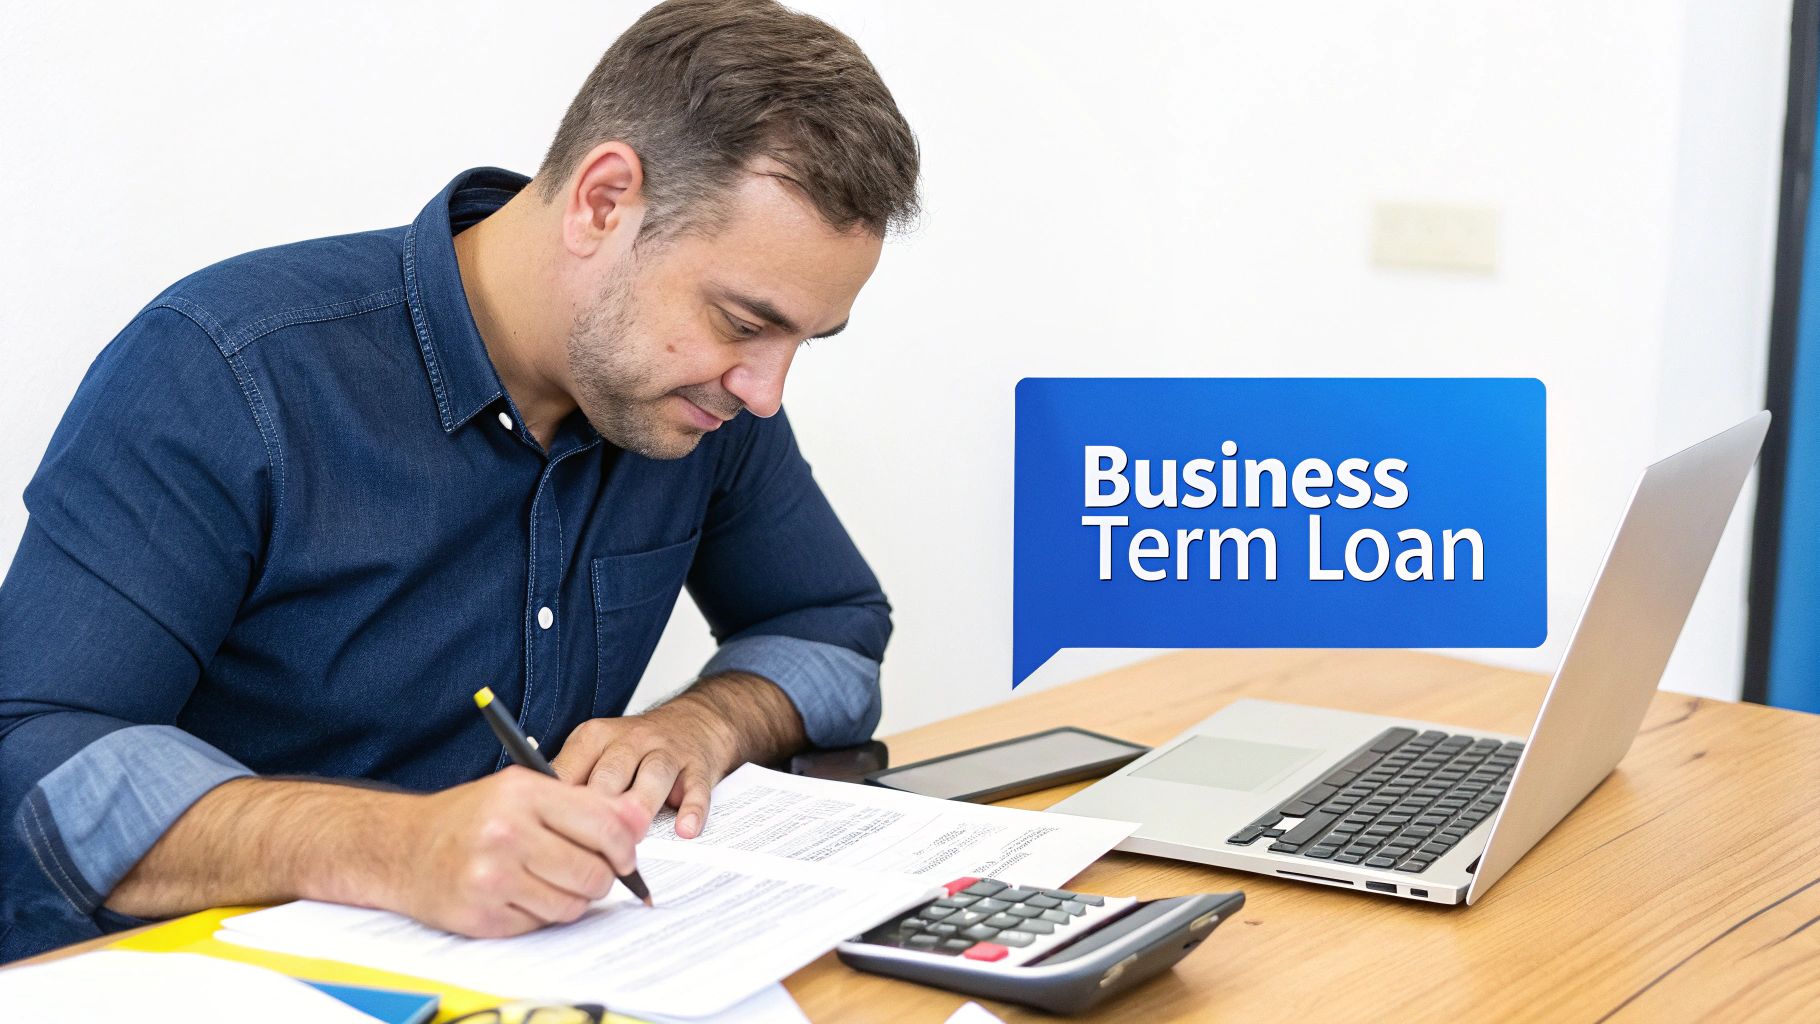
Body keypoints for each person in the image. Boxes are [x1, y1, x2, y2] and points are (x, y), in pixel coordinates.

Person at [0, 0, 919, 962]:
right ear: (604, 202)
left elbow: (835, 634)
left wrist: (704, 722)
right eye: (742, 320)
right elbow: (31, 753)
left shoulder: (701, 401)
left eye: (801, 342)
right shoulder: (230, 369)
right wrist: (395, 846)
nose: (767, 391)